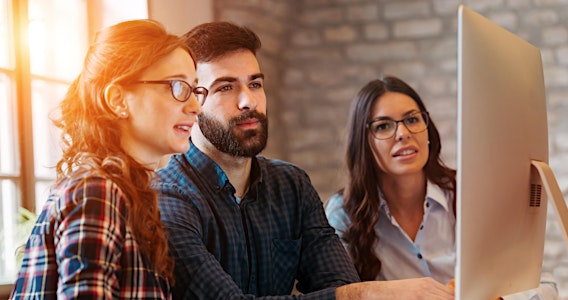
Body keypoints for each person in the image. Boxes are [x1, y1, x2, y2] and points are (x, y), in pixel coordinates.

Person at [156, 21, 454, 299]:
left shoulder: (291, 185)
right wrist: (367, 294)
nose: (249, 101)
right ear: (193, 101)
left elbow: (338, 285)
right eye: (226, 87)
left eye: (255, 84)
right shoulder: (168, 197)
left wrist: (352, 294)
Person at [9, 19, 206, 299]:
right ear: (117, 99)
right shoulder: (97, 191)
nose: (196, 106)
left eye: (195, 89)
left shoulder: (124, 194)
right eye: (177, 86)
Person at [324, 76, 559, 300]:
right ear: (363, 141)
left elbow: (544, 285)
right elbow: (334, 294)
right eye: (383, 126)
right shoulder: (344, 213)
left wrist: (495, 297)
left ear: (428, 130)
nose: (403, 134)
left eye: (412, 119)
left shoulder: (471, 193)